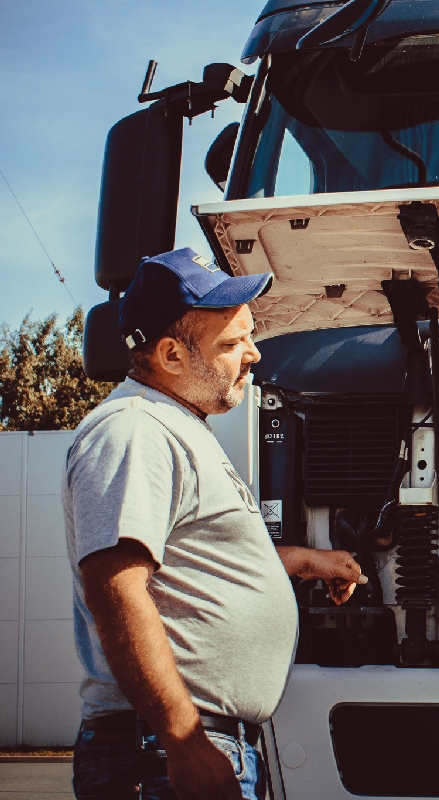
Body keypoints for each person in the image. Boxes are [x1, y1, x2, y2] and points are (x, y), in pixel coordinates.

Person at [65, 248, 367, 800]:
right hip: (161, 751)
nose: (253, 354)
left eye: (249, 336)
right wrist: (184, 743)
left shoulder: (178, 429)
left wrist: (300, 561)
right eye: (231, 344)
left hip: (183, 743)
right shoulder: (134, 432)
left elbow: (187, 566)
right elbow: (116, 592)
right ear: (171, 354)